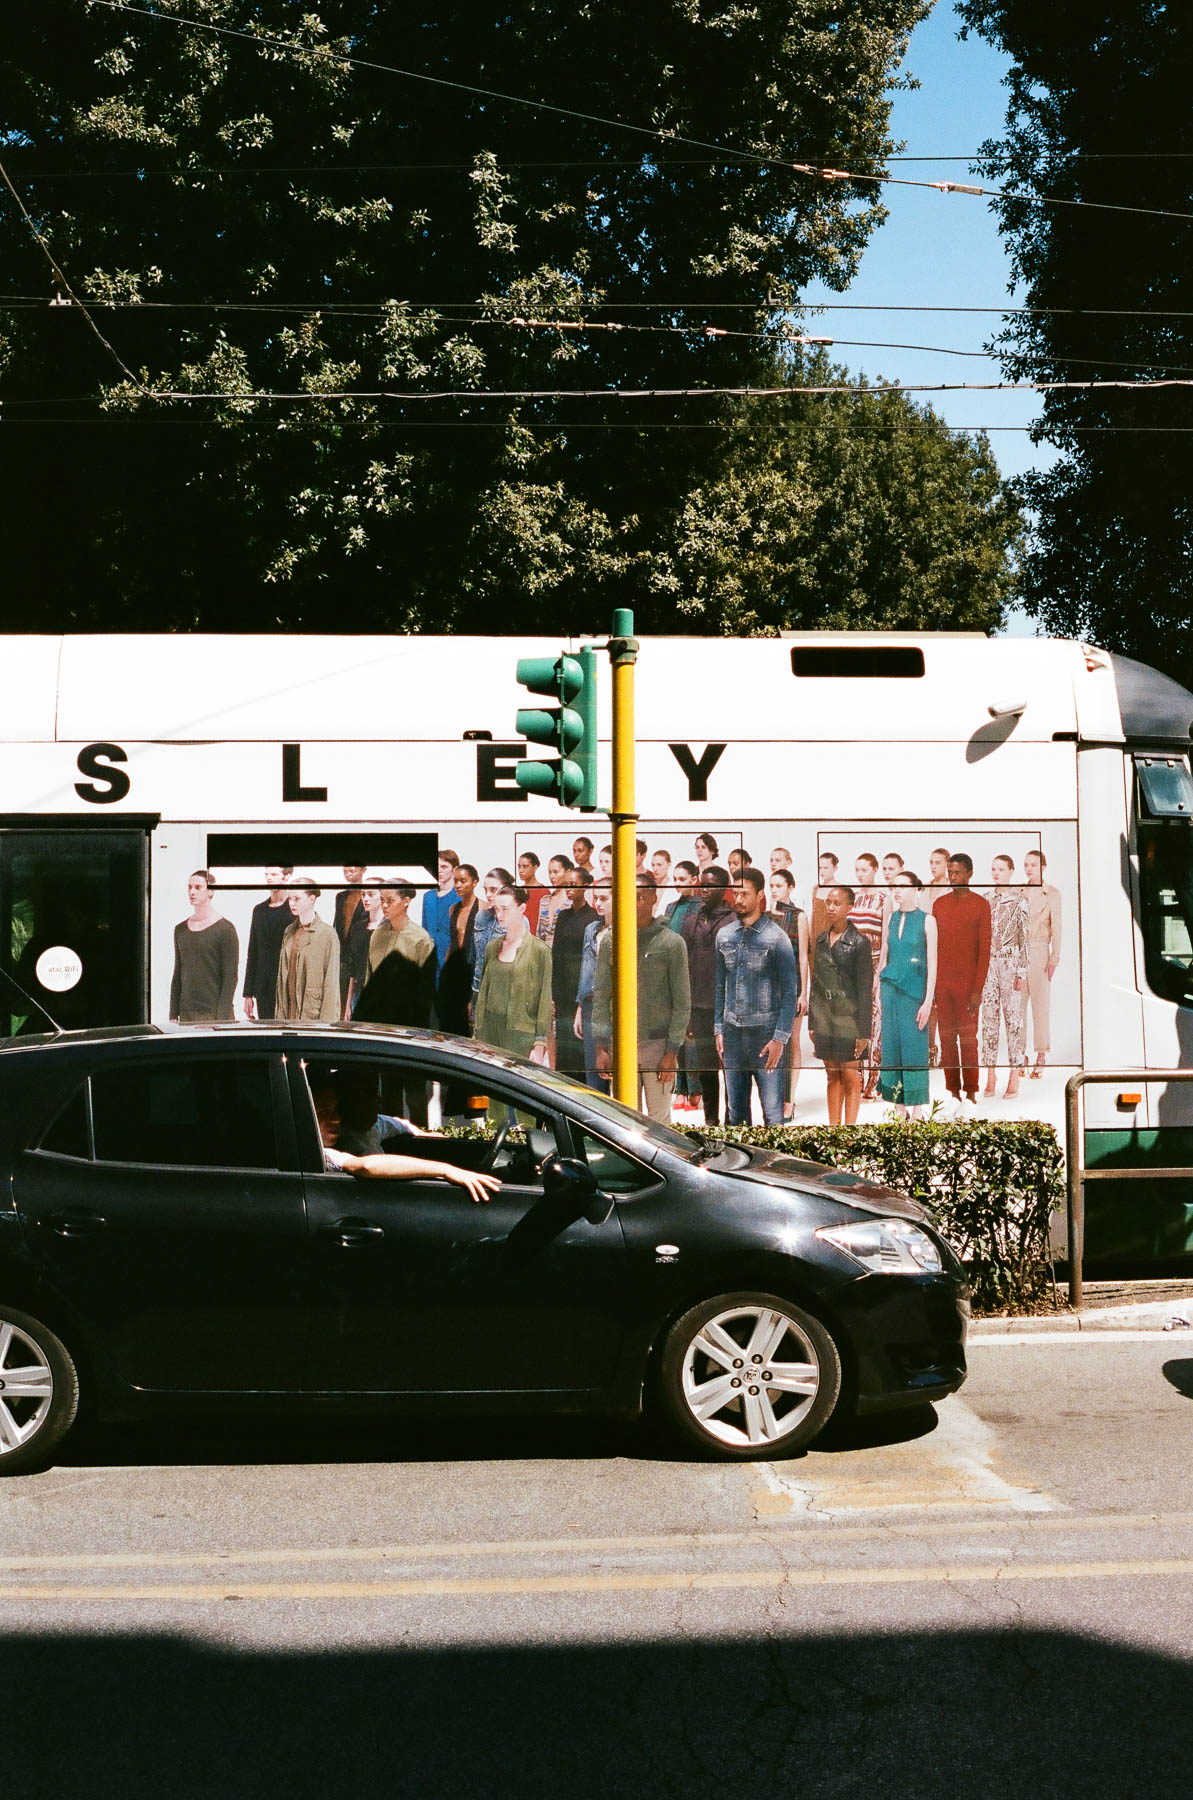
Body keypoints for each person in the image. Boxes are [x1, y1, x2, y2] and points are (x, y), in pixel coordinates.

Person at [593, 873, 690, 1124]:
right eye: (629, 897)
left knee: (660, 1121)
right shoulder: (611, 941)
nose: (634, 903)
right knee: (624, 1121)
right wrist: (601, 1046)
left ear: (653, 900)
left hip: (658, 1048)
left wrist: (672, 1051)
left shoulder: (672, 943)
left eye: (640, 897)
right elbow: (602, 995)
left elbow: (682, 1002)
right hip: (620, 1046)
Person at [311, 1075, 500, 1203]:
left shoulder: (371, 1128)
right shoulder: (323, 1153)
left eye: (335, 1110)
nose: (335, 1118)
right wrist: (446, 1170)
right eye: (324, 1112)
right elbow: (364, 1166)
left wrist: (423, 1135)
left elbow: (398, 1124)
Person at [716, 867, 796, 1127]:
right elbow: (720, 986)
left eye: (744, 894)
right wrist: (719, 1029)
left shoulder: (777, 939)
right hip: (733, 1036)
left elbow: (789, 994)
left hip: (765, 1037)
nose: (737, 900)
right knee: (735, 1115)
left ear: (760, 895)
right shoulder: (725, 935)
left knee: (773, 1115)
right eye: (735, 893)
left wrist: (779, 1039)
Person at [934, 853, 992, 1117]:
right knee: (946, 1039)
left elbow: (984, 951)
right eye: (950, 872)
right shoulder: (939, 904)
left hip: (968, 986)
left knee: (968, 1040)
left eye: (957, 872)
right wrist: (934, 987)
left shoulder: (980, 905)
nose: (952, 877)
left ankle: (971, 1091)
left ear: (970, 874)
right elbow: (934, 948)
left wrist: (977, 990)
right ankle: (952, 1092)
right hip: (943, 985)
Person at [809, 885, 873, 1126]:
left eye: (837, 903)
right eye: (829, 903)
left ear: (850, 907)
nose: (832, 908)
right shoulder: (821, 940)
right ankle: (833, 1129)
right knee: (831, 1076)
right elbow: (815, 984)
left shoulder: (859, 942)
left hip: (849, 1019)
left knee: (850, 1076)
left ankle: (850, 1131)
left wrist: (864, 1032)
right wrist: (813, 1023)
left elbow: (865, 990)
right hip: (825, 1017)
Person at [877, 871, 937, 1117]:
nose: (897, 891)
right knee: (892, 1046)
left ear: (916, 889)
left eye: (903, 886)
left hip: (914, 993)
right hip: (890, 990)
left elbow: (933, 963)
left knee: (914, 1047)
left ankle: (918, 1107)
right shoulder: (890, 917)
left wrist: (928, 1002)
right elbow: (884, 954)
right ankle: (898, 1105)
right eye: (894, 887)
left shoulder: (927, 920)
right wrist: (877, 990)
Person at [680, 864, 735, 1124]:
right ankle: (711, 1122)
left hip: (725, 1007)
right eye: (703, 883)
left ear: (723, 889)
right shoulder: (692, 919)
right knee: (706, 1068)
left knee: (730, 1070)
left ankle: (732, 1123)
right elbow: (686, 962)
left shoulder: (733, 920)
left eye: (711, 884)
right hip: (699, 1005)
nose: (704, 888)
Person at [474, 885, 552, 1066]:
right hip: (489, 1032)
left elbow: (544, 999)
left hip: (520, 1035)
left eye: (505, 909)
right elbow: (483, 992)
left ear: (522, 908)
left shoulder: (539, 950)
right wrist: (478, 1032)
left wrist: (539, 1044)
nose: (500, 915)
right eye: (497, 909)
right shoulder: (492, 946)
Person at [981, 854, 1029, 1101]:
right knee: (988, 1019)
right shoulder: (986, 899)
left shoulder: (1020, 900)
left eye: (1001, 869)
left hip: (1010, 964)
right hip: (988, 964)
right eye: (993, 869)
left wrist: (1022, 970)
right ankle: (989, 1074)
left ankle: (1014, 1073)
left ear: (1011, 871)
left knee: (1014, 1020)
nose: (996, 873)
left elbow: (1024, 937)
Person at [769, 866, 811, 1118]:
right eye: (771, 885)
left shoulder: (799, 916)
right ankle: (772, 1098)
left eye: (779, 885)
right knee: (772, 1041)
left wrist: (803, 993)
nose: (774, 890)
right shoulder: (763, 916)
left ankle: (789, 1100)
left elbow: (804, 957)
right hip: (768, 988)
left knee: (792, 1040)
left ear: (791, 887)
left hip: (792, 986)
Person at [170, 870, 239, 1022]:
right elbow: (178, 972)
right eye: (189, 887)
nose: (192, 892)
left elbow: (230, 977)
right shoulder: (180, 930)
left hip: (213, 1012)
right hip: (187, 1012)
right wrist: (173, 1013)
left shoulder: (225, 929)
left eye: (198, 887)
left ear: (211, 891)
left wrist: (222, 1017)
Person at [551, 867, 598, 1077]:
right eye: (566, 885)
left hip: (581, 989)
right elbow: (556, 954)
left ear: (585, 886)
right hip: (562, 991)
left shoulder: (593, 918)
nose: (569, 890)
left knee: (580, 1044)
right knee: (564, 1045)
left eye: (573, 885)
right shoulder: (563, 916)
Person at [275, 877, 340, 1022]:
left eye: (297, 898)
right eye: (290, 898)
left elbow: (331, 985)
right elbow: (281, 980)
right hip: (288, 1014)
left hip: (312, 1018)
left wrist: (327, 1025)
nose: (291, 903)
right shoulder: (289, 931)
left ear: (312, 899)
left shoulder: (327, 934)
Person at [849, 854, 887, 1099]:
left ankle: (873, 1083)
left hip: (874, 966)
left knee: (874, 1025)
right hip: (853, 968)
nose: (860, 874)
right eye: (857, 869)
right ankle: (856, 1080)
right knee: (854, 1025)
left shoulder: (883, 900)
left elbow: (886, 941)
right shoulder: (852, 898)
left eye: (864, 869)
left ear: (875, 869)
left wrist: (879, 973)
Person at [1024, 848, 1062, 1077]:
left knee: (1040, 1007)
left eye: (1034, 865)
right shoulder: (1018, 891)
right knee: (1016, 1009)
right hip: (1018, 953)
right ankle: (1019, 1055)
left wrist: (1054, 957)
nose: (1029, 869)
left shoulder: (1052, 893)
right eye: (1026, 864)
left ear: (1043, 867)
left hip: (1039, 951)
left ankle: (1041, 1054)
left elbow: (1057, 926)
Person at [242, 863, 293, 1021]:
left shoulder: (294, 910)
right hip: (263, 986)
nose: (269, 878)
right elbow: (253, 951)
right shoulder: (259, 910)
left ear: (286, 877)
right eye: (267, 875)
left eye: (274, 875)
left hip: (287, 984)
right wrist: (248, 994)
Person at [574, 878, 611, 1091]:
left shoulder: (627, 929)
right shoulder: (592, 929)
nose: (598, 903)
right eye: (596, 898)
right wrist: (580, 1006)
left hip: (615, 1005)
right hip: (591, 1003)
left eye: (604, 898)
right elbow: (586, 969)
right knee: (594, 1073)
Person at [436, 862, 479, 1037]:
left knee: (470, 1026)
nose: (458, 885)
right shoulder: (453, 909)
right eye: (456, 881)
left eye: (463, 881)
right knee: (449, 1027)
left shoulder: (483, 909)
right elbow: (451, 944)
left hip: (472, 975)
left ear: (475, 882)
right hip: (454, 975)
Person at [471, 866, 515, 1002]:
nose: (488, 894)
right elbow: (473, 957)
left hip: (504, 992)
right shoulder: (481, 916)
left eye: (493, 890)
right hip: (478, 988)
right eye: (485, 890)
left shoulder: (517, 919)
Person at [420, 850, 460, 992]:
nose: (439, 870)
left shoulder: (459, 897)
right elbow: (424, 929)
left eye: (444, 867)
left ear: (454, 870)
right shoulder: (428, 896)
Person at [333, 865, 370, 1017]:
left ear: (363, 871)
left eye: (352, 871)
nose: (348, 874)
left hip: (360, 953)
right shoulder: (341, 896)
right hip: (342, 955)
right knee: (341, 998)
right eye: (345, 871)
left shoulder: (368, 896)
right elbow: (337, 923)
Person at [346, 878, 386, 1016]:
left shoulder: (390, 927)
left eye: (371, 894)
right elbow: (353, 969)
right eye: (363, 894)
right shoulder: (357, 928)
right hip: (359, 993)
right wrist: (348, 1003)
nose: (366, 899)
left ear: (382, 896)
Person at [535, 853, 573, 949]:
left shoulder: (572, 901)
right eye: (549, 872)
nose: (551, 876)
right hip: (544, 957)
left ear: (567, 872)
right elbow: (538, 935)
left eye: (556, 872)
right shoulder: (544, 901)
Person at [809, 851, 840, 950]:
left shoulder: (840, 889)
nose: (822, 871)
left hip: (833, 942)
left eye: (826, 868)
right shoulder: (815, 888)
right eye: (820, 868)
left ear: (835, 868)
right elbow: (812, 916)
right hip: (815, 940)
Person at [665, 860, 700, 935]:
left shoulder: (702, 907)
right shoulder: (670, 907)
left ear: (694, 880)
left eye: (682, 879)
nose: (677, 883)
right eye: (675, 879)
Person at [517, 851, 544, 935]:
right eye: (519, 866)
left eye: (525, 867)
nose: (520, 870)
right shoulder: (517, 892)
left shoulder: (543, 892)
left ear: (535, 867)